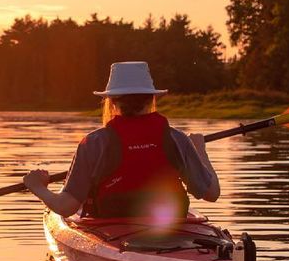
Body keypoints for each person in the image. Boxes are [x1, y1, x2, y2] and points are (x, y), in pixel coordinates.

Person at [23, 61, 219, 225]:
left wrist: (37, 187)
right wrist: (200, 150)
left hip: (113, 230)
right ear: (152, 99)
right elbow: (212, 193)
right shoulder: (177, 139)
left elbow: (66, 207)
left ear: (112, 101)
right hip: (173, 232)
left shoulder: (94, 143)